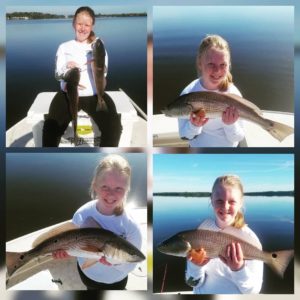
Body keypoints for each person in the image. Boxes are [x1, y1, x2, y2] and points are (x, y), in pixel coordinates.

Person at [53, 154, 143, 290]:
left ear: (126, 190)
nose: (111, 194)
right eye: (105, 187)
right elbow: (74, 245)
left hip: (116, 281)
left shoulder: (131, 227)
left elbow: (132, 264)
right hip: (87, 275)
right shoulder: (82, 214)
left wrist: (116, 263)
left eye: (119, 188)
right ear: (95, 186)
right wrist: (65, 252)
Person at [42, 6, 122, 147]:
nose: (83, 28)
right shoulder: (64, 47)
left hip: (94, 95)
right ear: (73, 23)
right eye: (80, 24)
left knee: (114, 127)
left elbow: (103, 73)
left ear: (92, 26)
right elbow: (57, 74)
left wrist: (97, 64)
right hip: (68, 94)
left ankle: (106, 156)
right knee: (50, 127)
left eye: (87, 25)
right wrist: (67, 68)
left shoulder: (98, 46)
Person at [185, 175, 263, 294]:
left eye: (232, 201)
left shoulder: (250, 240)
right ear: (211, 200)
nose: (225, 207)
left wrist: (239, 269)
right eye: (219, 201)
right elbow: (193, 282)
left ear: (240, 203)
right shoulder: (200, 234)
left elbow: (253, 292)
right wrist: (195, 266)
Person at [178, 35, 245, 147]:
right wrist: (194, 126)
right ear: (200, 63)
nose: (217, 70)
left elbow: (238, 137)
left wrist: (230, 124)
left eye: (223, 64)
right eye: (211, 64)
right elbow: (184, 136)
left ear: (229, 65)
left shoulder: (234, 94)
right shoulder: (188, 94)